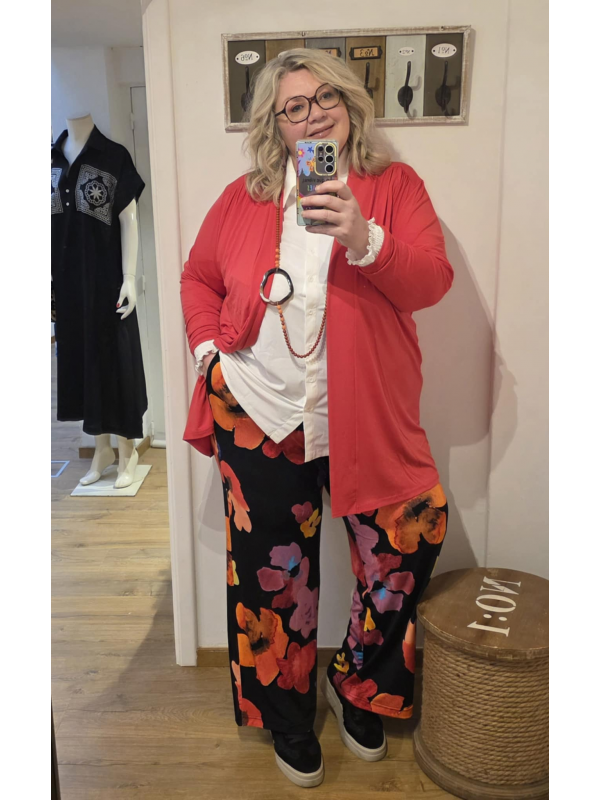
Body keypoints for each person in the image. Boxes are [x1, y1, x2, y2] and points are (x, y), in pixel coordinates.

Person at [180, 48, 453, 789]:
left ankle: (358, 682)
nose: (312, 114)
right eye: (293, 106)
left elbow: (432, 280)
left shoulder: (394, 187)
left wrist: (365, 238)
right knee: (274, 577)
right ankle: (288, 715)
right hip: (257, 408)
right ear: (277, 123)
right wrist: (208, 354)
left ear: (350, 104)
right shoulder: (244, 198)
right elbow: (199, 277)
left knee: (410, 534)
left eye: (325, 97)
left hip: (363, 413)